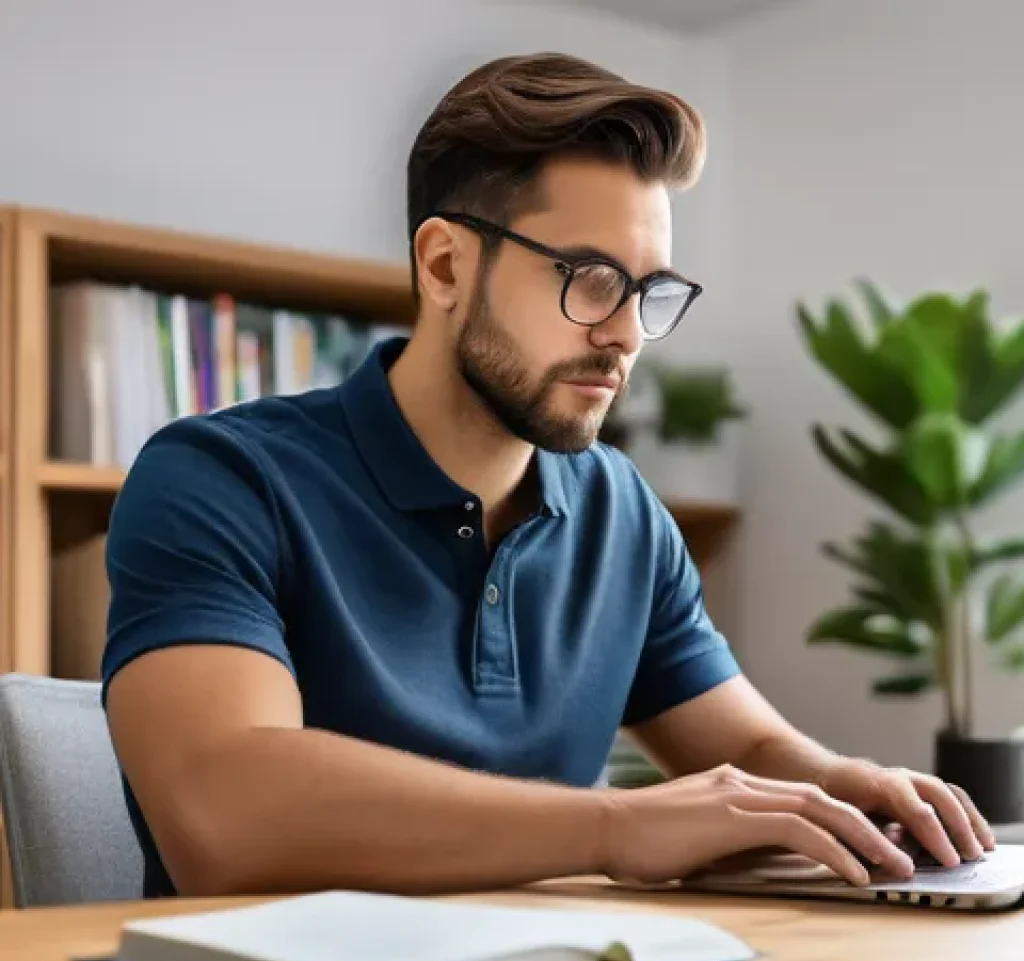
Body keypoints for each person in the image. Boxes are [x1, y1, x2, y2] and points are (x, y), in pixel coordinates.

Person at [102, 52, 995, 901]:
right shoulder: (221, 480)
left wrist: (849, 790)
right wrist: (616, 828)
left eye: (650, 292)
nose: (626, 335)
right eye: (592, 279)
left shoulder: (622, 513)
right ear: (445, 266)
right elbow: (224, 812)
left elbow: (746, 748)